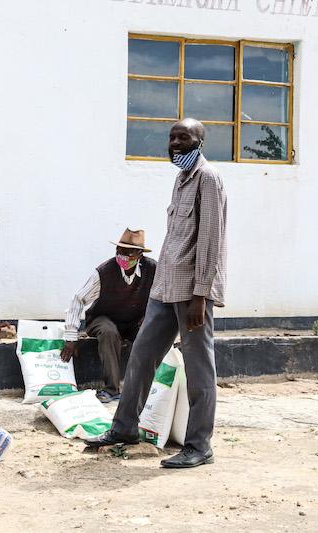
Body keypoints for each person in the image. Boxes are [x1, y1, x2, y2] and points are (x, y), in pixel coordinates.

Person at [86, 118, 227, 469]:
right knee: (141, 355)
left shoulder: (208, 179)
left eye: (185, 137)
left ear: (200, 141)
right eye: (172, 137)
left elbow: (211, 242)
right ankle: (124, 428)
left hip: (192, 292)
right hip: (166, 287)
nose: (176, 143)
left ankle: (199, 445)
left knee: (198, 368)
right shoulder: (181, 179)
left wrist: (200, 295)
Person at [60, 229, 157, 403]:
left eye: (128, 252)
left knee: (148, 333)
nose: (122, 255)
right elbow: (78, 300)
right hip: (102, 318)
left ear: (139, 254)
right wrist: (71, 337)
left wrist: (150, 316)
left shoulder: (152, 269)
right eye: (119, 250)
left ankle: (141, 390)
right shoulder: (104, 272)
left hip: (134, 320)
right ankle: (112, 389)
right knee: (108, 331)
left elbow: (161, 297)